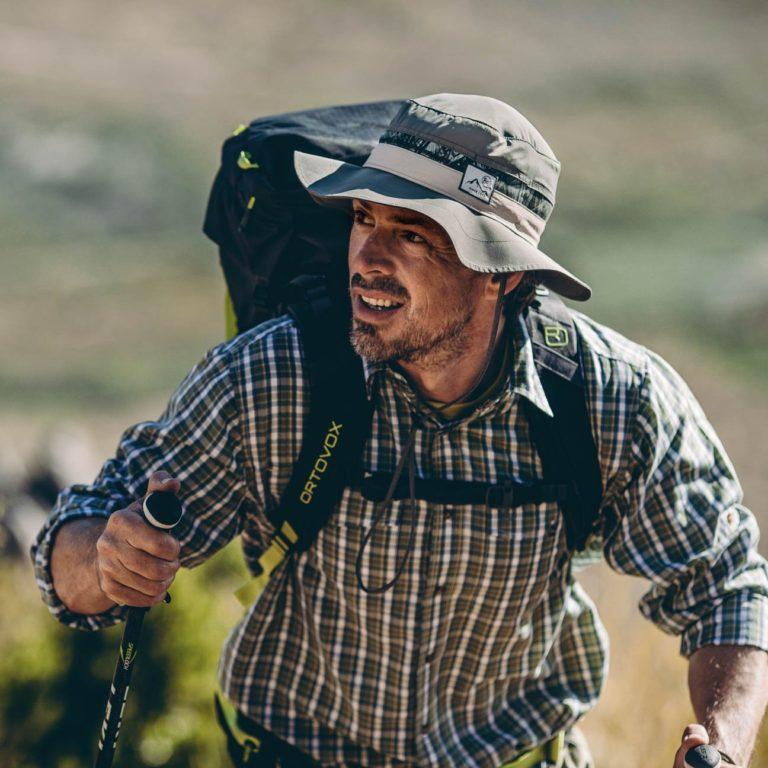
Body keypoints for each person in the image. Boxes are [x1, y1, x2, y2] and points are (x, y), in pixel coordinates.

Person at [32, 94, 768, 768]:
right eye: (362, 219)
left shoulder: (611, 402)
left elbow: (724, 582)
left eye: (414, 234)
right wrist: (103, 557)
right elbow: (71, 550)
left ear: (502, 275)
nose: (368, 261)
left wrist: (725, 746)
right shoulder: (272, 380)